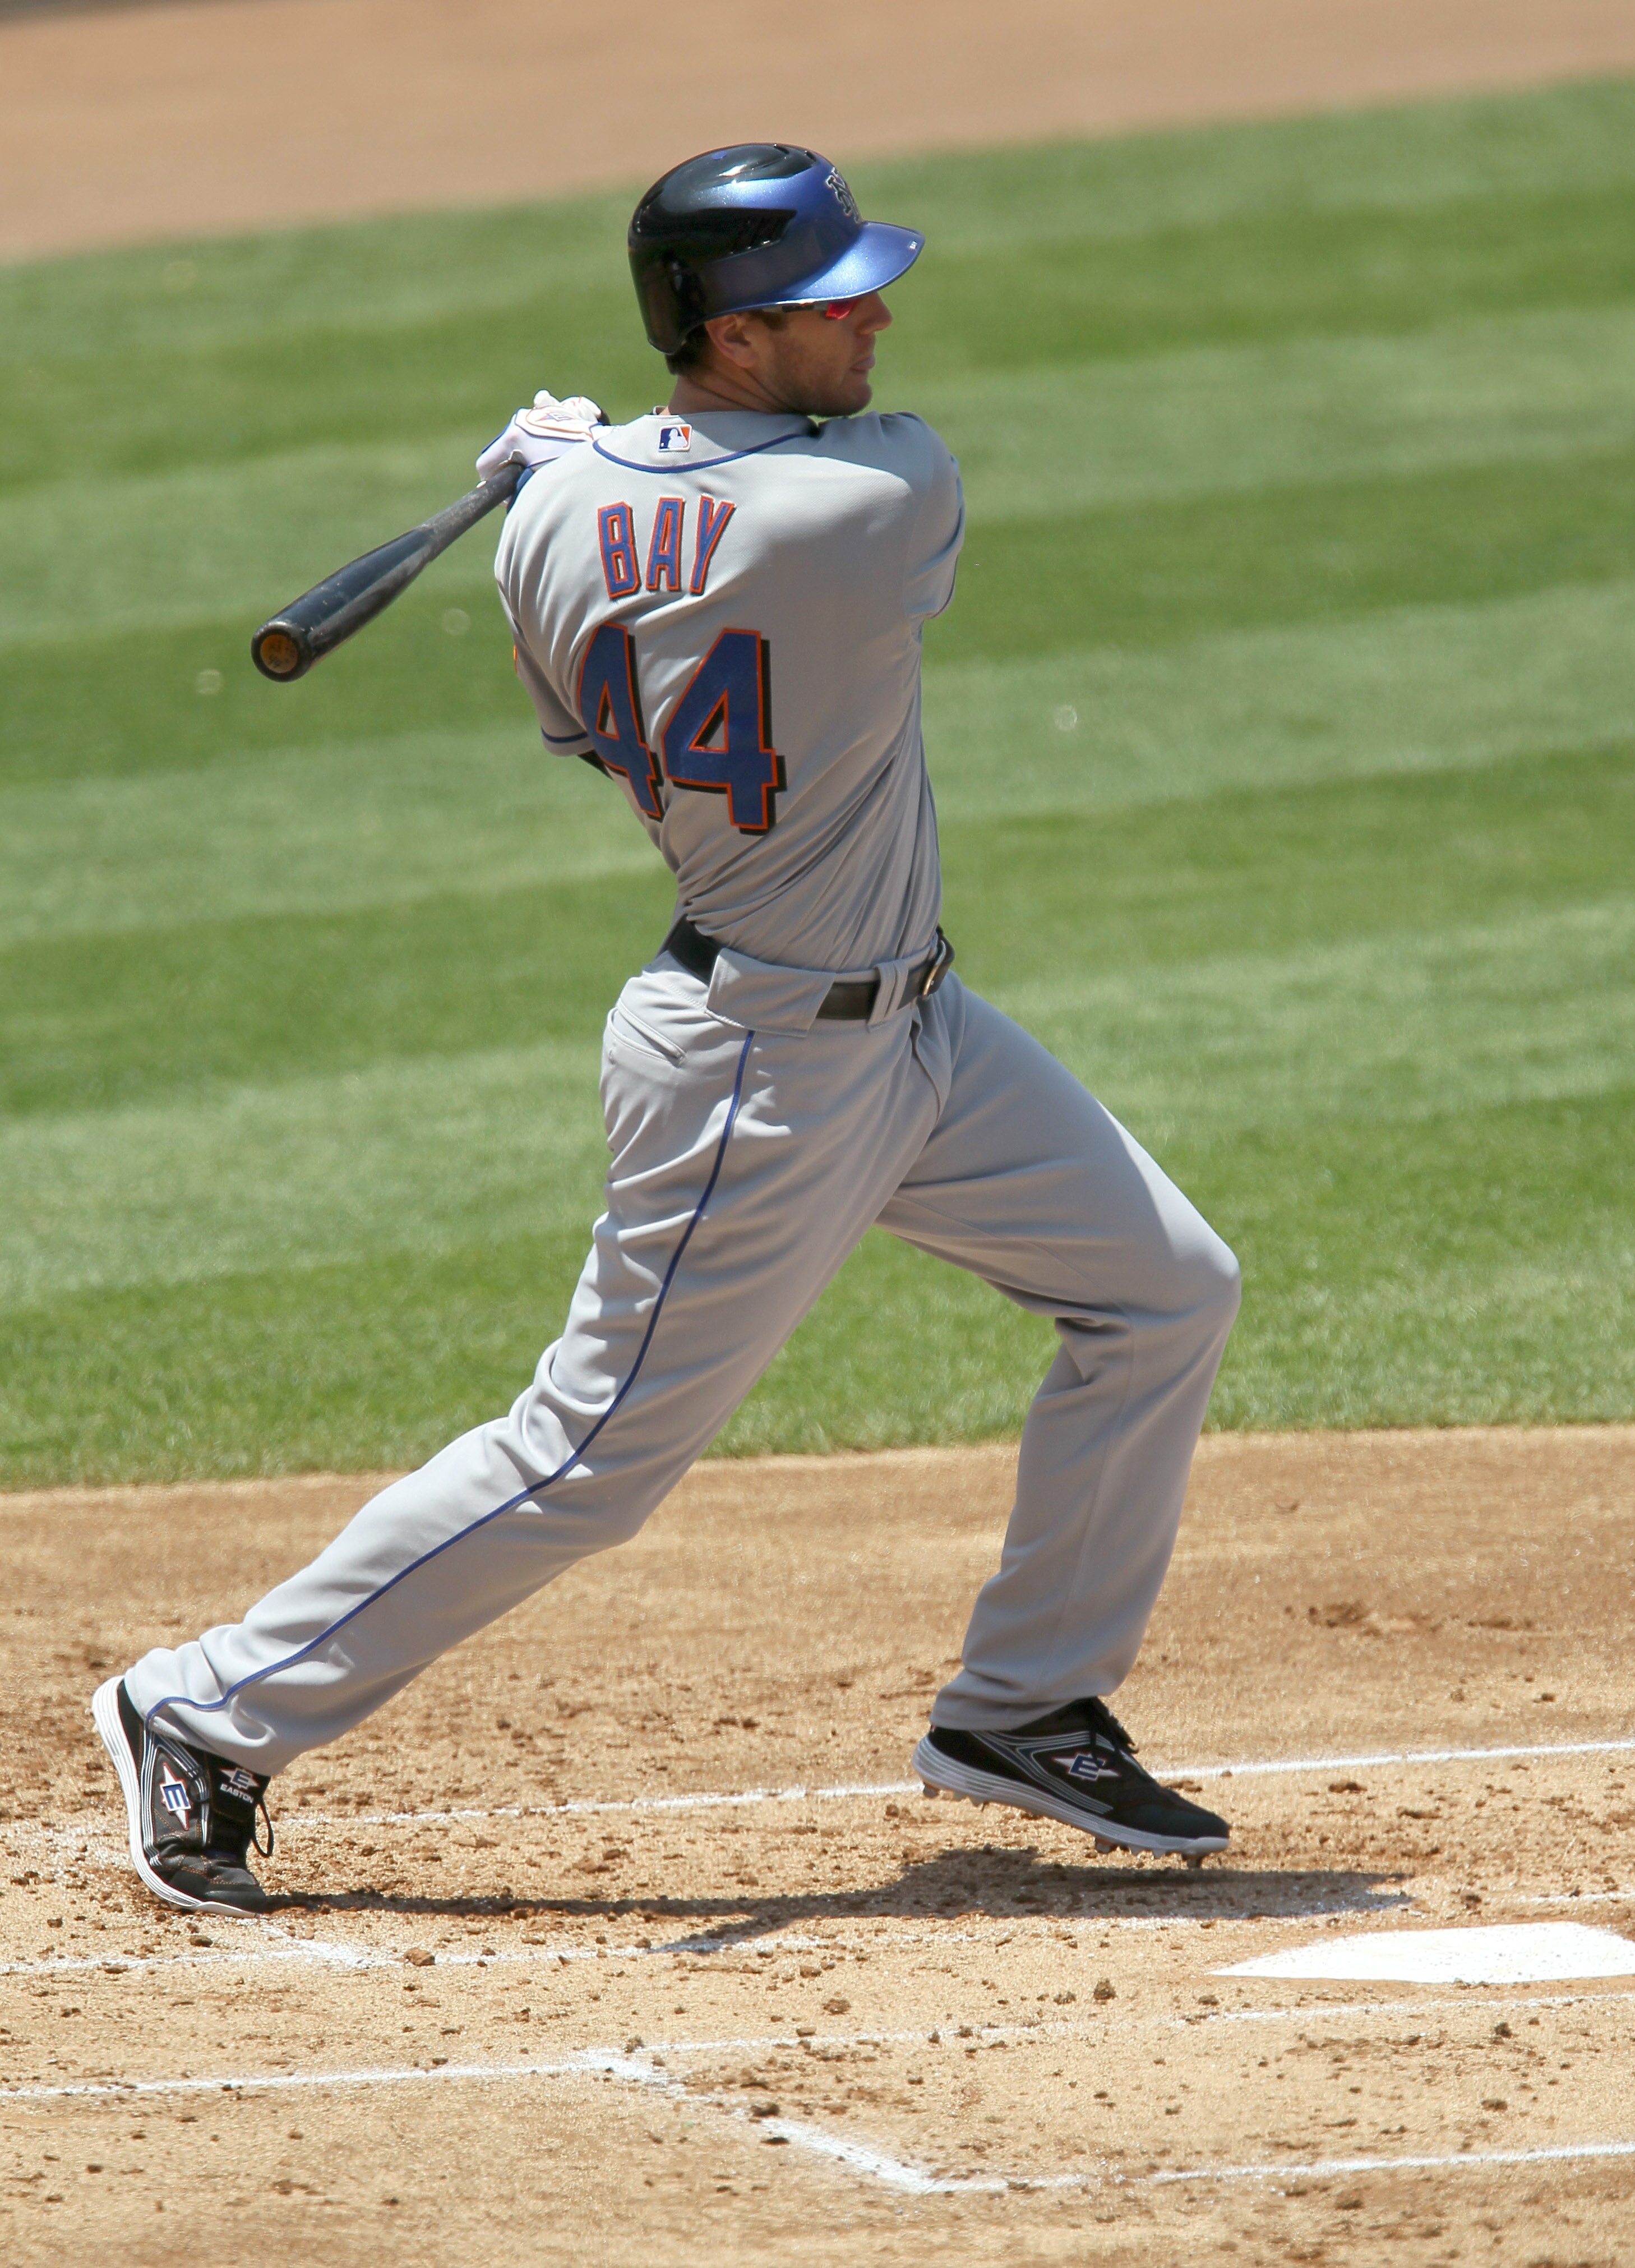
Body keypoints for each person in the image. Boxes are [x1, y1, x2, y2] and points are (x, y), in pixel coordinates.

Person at [94, 144, 1241, 1914]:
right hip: (762, 1070)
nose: (872, 314)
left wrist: (578, 469)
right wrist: (620, 462)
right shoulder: (875, 502)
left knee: (1164, 1285)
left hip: (911, 1028)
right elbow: (794, 492)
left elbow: (599, 671)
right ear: (726, 327)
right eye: (824, 297)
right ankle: (206, 1709)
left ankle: (1021, 1704)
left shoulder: (539, 540)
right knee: (587, 1454)